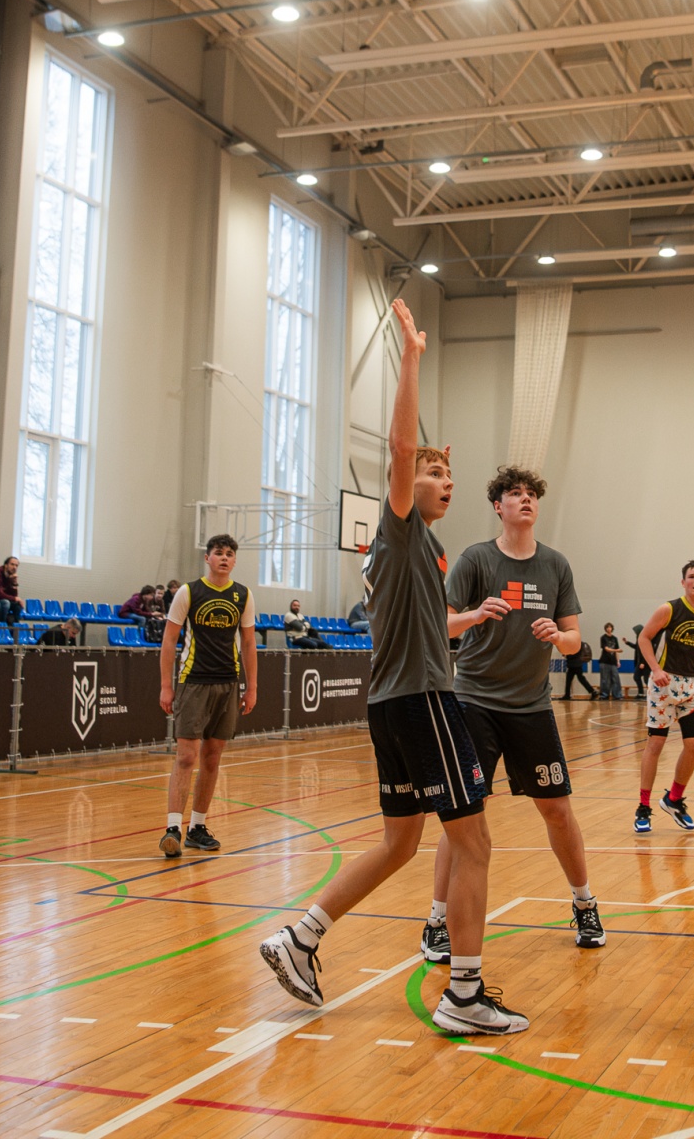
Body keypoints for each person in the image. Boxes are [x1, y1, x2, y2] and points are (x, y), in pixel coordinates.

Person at [260, 298, 525, 1036]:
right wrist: (411, 357)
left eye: (447, 474)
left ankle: (300, 937)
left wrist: (469, 620)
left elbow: (428, 627)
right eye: (435, 472)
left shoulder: (423, 554)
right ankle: (464, 995)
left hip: (392, 702)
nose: (444, 481)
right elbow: (401, 448)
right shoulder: (401, 527)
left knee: (401, 841)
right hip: (422, 701)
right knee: (473, 841)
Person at [435, 464, 603, 953]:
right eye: (514, 493)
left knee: (557, 811)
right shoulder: (475, 559)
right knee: (464, 815)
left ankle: (585, 904)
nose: (525, 499)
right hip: (474, 702)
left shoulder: (556, 565)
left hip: (531, 706)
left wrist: (559, 636)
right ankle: (437, 920)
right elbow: (442, 624)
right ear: (498, 506)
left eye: (531, 493)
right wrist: (475, 614)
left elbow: (575, 640)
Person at [157, 535, 258, 857]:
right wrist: (166, 686)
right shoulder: (188, 592)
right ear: (207, 558)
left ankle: (197, 828)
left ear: (234, 561)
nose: (224, 558)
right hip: (193, 682)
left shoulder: (243, 595)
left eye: (229, 554)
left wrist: (251, 687)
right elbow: (169, 640)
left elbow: (249, 643)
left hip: (228, 683)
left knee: (212, 758)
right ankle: (173, 828)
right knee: (187, 756)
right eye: (218, 553)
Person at [634, 561, 694, 834]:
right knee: (655, 745)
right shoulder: (669, 609)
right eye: (691, 576)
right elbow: (644, 638)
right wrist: (655, 669)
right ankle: (643, 807)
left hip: (692, 686)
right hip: (664, 684)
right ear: (683, 582)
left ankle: (673, 799)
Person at [597, 623, 623, 699]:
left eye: (610, 627)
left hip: (613, 662)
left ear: (612, 628)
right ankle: (604, 695)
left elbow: (616, 651)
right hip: (604, 661)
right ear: (605, 629)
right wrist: (616, 650)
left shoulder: (615, 638)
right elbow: (606, 649)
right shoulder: (603, 638)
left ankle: (617, 695)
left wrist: (618, 661)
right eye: (607, 627)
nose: (609, 629)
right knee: (605, 679)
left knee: (616, 679)